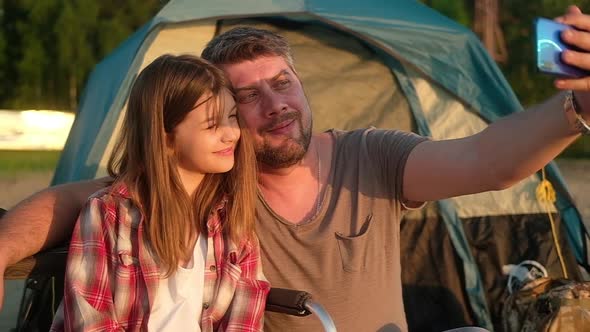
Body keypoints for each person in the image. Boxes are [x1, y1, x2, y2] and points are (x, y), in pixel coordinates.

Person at [2, 5, 590, 332]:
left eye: (283, 83)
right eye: (247, 97)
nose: (275, 104)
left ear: (302, 87)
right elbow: (80, 201)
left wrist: (575, 109)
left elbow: (485, 162)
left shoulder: (372, 156)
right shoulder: (208, 185)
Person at [49, 54, 269, 331]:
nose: (231, 134)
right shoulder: (109, 214)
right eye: (212, 125)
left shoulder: (233, 222)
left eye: (233, 117)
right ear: (165, 139)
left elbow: (245, 320)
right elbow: (90, 320)